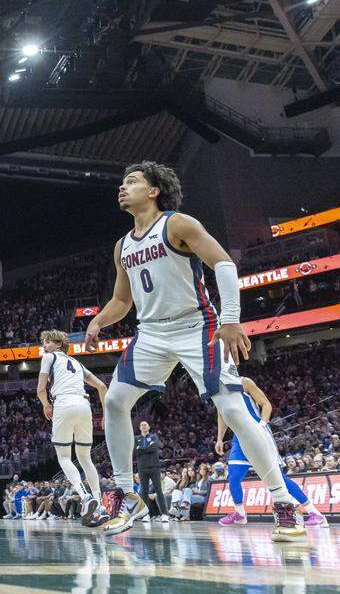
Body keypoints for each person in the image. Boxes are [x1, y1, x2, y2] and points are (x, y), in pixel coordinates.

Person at [85, 161, 305, 540]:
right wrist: (99, 320)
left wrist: (231, 319)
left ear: (154, 191)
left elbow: (222, 263)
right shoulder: (122, 246)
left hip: (197, 325)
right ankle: (125, 493)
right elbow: (123, 301)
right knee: (115, 400)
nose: (123, 187)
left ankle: (283, 501)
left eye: (132, 182)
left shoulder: (177, 224)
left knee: (234, 409)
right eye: (122, 183)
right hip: (151, 332)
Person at [215, 376, 327, 527]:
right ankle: (240, 514)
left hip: (257, 431)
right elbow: (222, 415)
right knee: (234, 477)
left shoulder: (244, 382)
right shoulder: (216, 390)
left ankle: (315, 513)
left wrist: (261, 425)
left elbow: (266, 404)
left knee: (278, 478)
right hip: (238, 438)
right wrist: (220, 439)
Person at [36, 329, 107, 526]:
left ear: (58, 345)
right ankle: (100, 506)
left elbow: (41, 389)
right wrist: (106, 414)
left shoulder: (49, 357)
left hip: (64, 403)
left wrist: (46, 405)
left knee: (64, 457)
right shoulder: (77, 363)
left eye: (47, 342)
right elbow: (102, 387)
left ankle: (85, 498)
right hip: (84, 405)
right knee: (85, 458)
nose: (44, 346)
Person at [133, 421, 169, 524]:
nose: (143, 426)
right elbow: (135, 451)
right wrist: (145, 448)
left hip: (154, 467)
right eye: (141, 425)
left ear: (149, 427)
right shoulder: (136, 438)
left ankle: (165, 514)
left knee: (158, 490)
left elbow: (154, 447)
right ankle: (146, 515)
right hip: (142, 468)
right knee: (144, 491)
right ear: (140, 428)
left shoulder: (154, 436)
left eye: (145, 425)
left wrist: (141, 448)